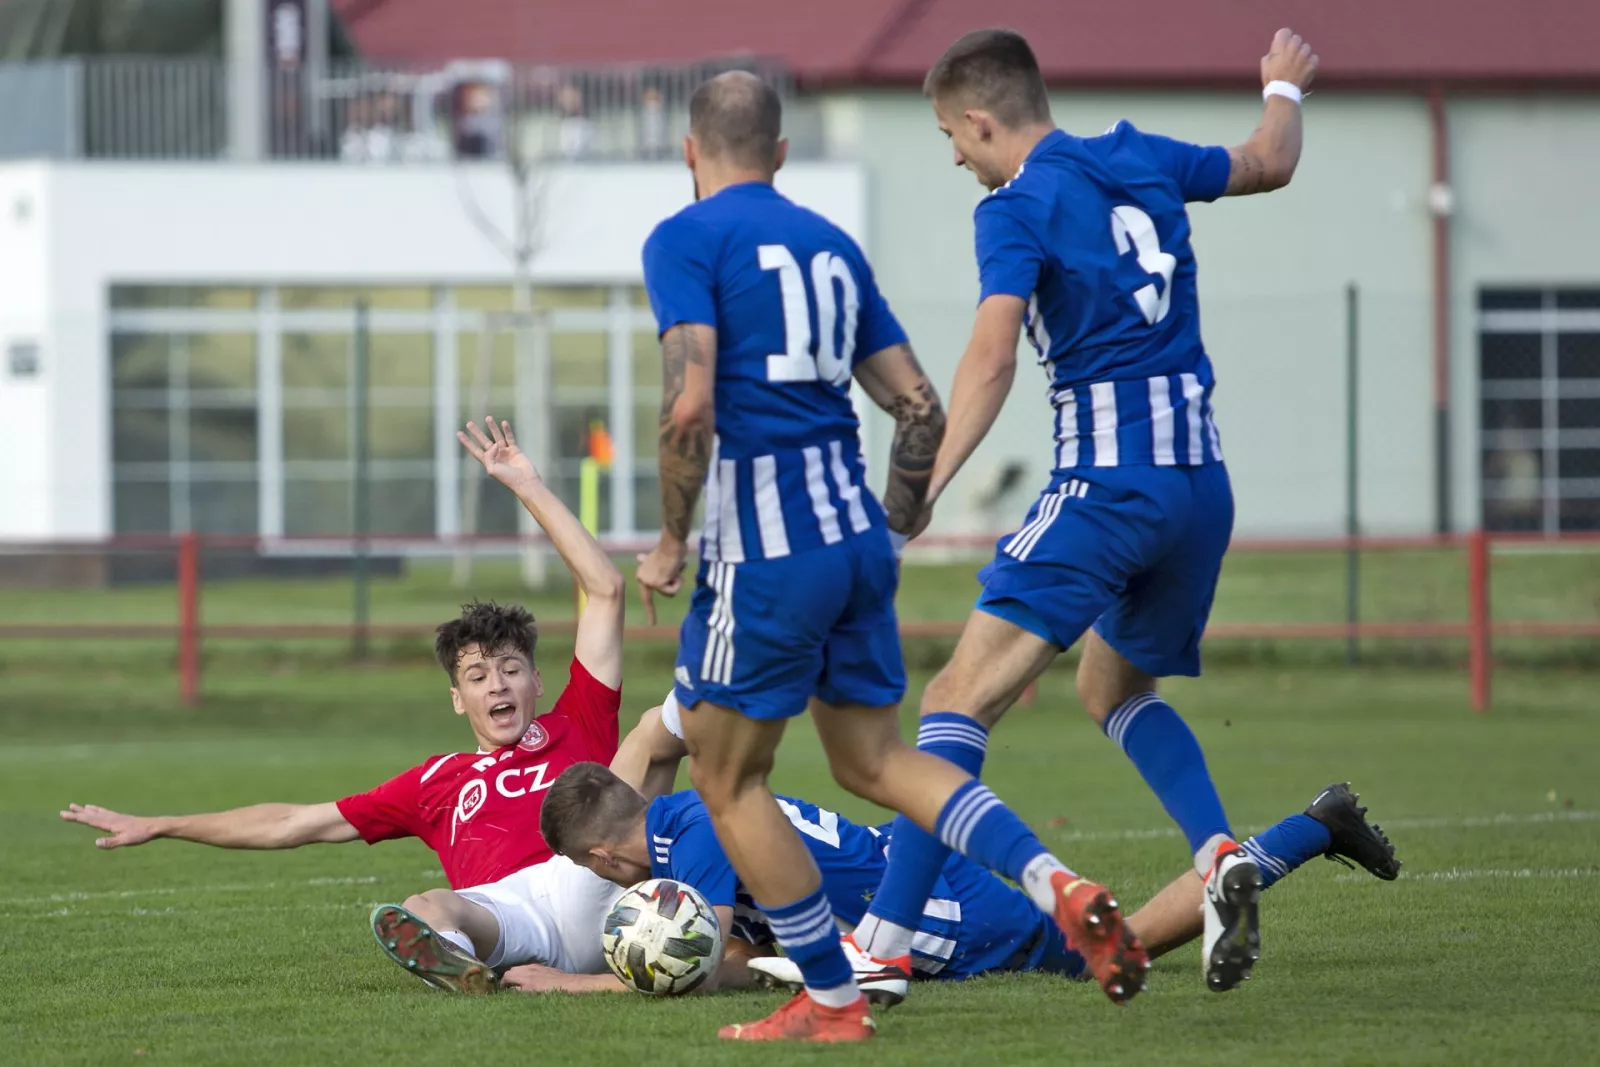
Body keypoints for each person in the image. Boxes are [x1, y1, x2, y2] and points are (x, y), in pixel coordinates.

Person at [631, 70, 1132, 1042]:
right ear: (781, 154)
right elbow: (918, 409)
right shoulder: (832, 245)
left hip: (765, 549)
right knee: (876, 759)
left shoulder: (684, 238)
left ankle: (831, 999)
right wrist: (890, 530)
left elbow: (689, 406)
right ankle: (1053, 880)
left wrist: (668, 541)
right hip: (854, 540)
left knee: (726, 780)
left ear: (690, 152)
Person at [843, 26, 1322, 1001]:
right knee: (1110, 688)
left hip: (1108, 487)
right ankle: (1218, 851)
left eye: (950, 136)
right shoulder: (1140, 155)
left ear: (981, 121)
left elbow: (990, 358)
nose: (954, 157)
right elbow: (1269, 161)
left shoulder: (1014, 208)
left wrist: (924, 486)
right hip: (1200, 488)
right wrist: (1283, 88)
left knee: (952, 702)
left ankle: (879, 950)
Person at [60, 418, 627, 993]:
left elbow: (605, 590)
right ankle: (462, 968)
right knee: (425, 906)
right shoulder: (436, 782)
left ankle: (649, 924)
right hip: (507, 913)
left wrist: (527, 485)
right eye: (478, 677)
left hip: (592, 880)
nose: (498, 686)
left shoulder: (579, 719)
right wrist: (163, 824)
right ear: (458, 700)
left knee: (650, 741)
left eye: (510, 670)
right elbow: (294, 822)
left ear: (537, 679)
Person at [522, 700, 1398, 998]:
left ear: (602, 859)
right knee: (1116, 942)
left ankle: (1312, 826)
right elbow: (745, 952)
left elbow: (707, 961)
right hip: (912, 877)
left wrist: (575, 981)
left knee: (1114, 950)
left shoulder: (691, 840)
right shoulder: (683, 817)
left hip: (937, 913)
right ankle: (1313, 826)